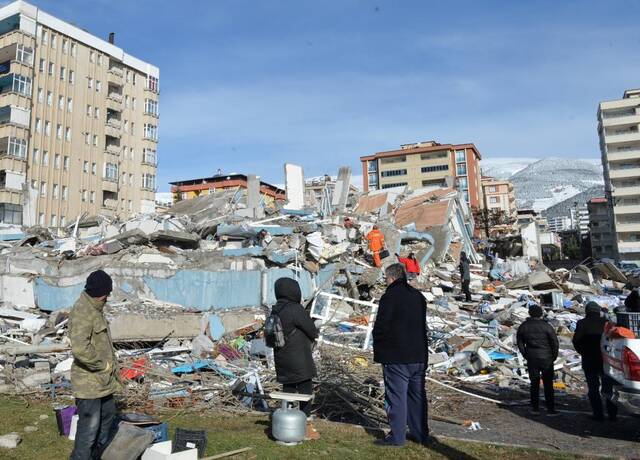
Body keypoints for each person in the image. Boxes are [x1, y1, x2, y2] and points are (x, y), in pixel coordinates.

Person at [372, 264, 429, 447]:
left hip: (396, 356)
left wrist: (379, 347)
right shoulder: (419, 297)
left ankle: (397, 437)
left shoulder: (389, 297)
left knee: (396, 397)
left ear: (390, 278)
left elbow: (381, 326)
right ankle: (420, 434)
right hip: (419, 354)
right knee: (417, 396)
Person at [69, 270, 120, 460]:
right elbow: (80, 349)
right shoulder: (83, 312)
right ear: (100, 292)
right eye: (107, 293)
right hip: (89, 383)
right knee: (89, 429)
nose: (108, 297)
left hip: (103, 382)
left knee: (108, 416)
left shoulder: (95, 308)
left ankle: (95, 456)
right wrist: (102, 365)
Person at [272, 277, 320, 440]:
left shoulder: (275, 309)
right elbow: (312, 330)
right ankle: (305, 425)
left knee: (289, 388)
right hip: (298, 357)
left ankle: (286, 423)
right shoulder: (295, 308)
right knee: (305, 388)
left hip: (281, 356)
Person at [572, 301, 618, 421]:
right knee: (609, 388)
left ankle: (598, 414)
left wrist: (583, 352)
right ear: (598, 311)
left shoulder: (582, 323)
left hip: (589, 360)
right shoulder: (607, 324)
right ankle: (612, 415)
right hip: (606, 360)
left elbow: (576, 341)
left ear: (587, 311)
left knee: (593, 388)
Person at [516, 304, 560, 416]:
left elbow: (520, 342)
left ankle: (535, 408)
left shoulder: (524, 326)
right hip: (546, 358)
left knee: (534, 383)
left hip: (532, 357)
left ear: (530, 313)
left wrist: (525, 354)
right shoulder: (547, 326)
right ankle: (551, 409)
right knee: (548, 384)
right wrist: (553, 356)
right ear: (541, 314)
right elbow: (555, 342)